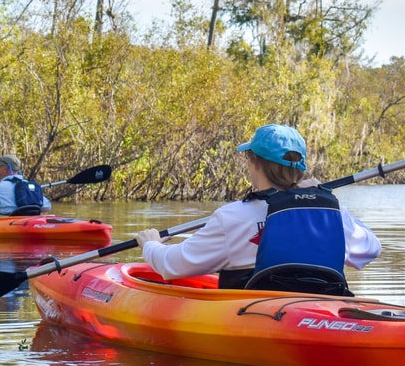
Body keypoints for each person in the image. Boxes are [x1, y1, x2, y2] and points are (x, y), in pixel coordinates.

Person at [133, 124, 380, 293]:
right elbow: (370, 249)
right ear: (301, 169)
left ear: (254, 163)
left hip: (254, 312)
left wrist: (151, 244)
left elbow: (171, 266)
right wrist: (324, 199)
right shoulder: (331, 212)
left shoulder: (232, 217)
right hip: (316, 308)